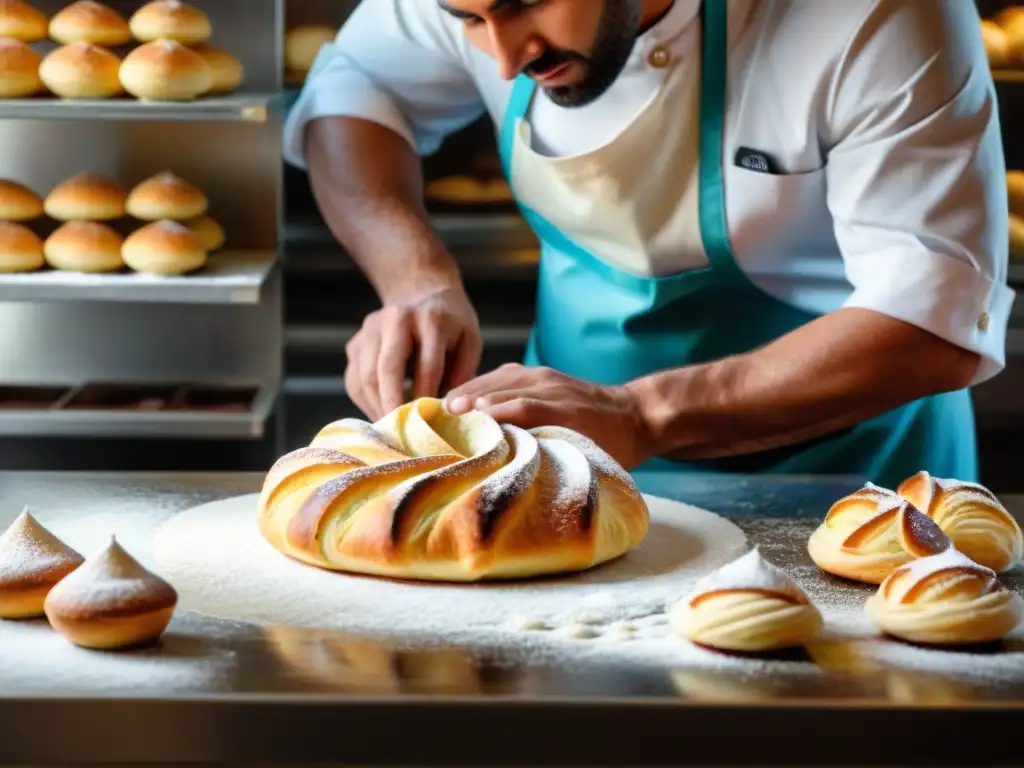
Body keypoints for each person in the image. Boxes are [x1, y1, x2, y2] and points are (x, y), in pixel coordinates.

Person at [283, 0, 1013, 487]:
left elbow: (932, 320)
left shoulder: (874, 15)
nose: (504, 58)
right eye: (466, 19)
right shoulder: (480, 11)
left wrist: (639, 415)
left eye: (526, 0)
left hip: (854, 478)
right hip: (566, 471)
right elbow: (357, 88)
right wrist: (415, 278)